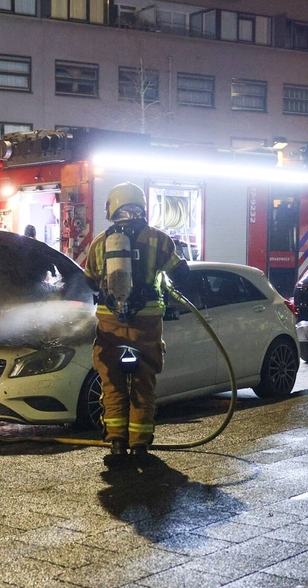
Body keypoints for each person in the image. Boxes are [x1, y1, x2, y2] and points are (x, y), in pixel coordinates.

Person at [83, 182, 188, 462]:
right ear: (142, 206)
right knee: (143, 383)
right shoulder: (159, 239)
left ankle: (116, 443)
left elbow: (89, 278)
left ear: (112, 207)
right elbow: (182, 273)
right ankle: (140, 445)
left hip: (110, 324)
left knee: (113, 383)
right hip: (147, 323)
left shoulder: (101, 241)